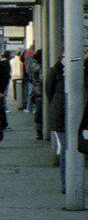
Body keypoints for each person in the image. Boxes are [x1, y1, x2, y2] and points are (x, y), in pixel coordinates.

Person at [45, 54, 66, 191]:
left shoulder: (83, 70)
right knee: (66, 148)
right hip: (61, 116)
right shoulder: (55, 71)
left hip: (80, 116)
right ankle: (66, 184)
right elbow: (49, 91)